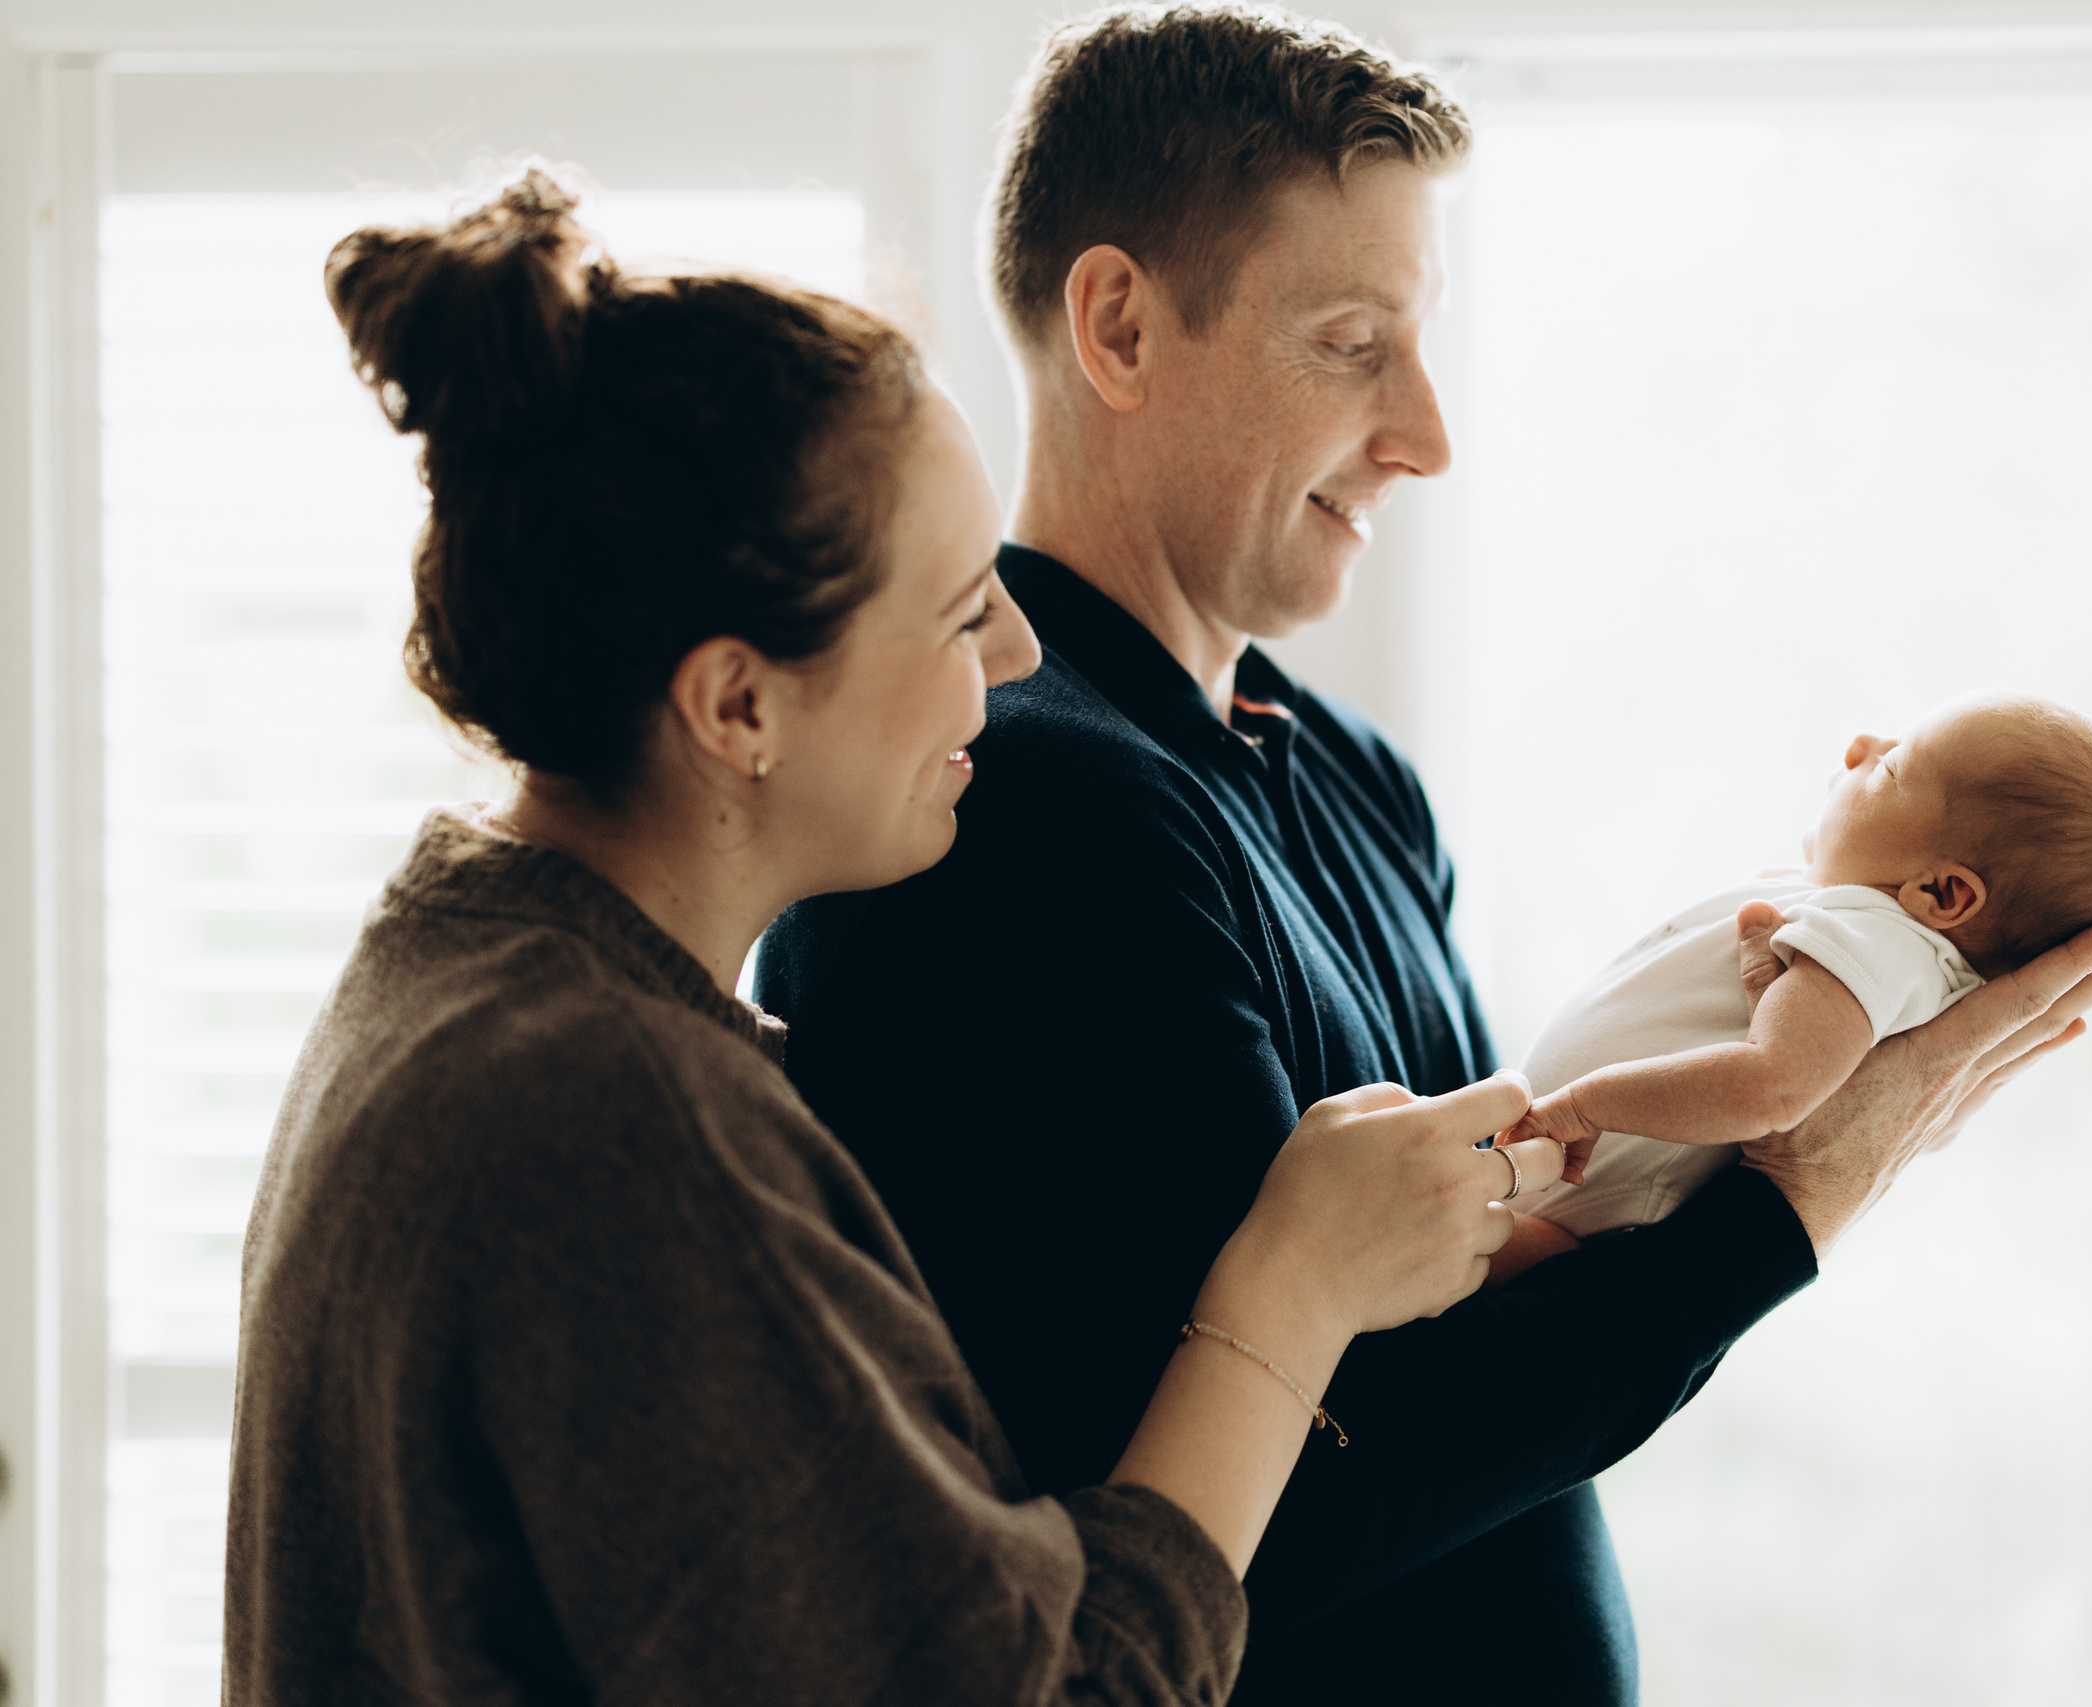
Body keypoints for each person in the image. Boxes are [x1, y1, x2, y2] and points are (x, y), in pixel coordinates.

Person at [754, 9, 2092, 1703]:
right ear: (1119, 324)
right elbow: (1250, 1512)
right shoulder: (1009, 807)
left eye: (1421, 346)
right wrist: (1799, 1198)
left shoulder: (1357, 779)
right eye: (1353, 342)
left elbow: (1490, 1308)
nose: (1426, 433)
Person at [222, 169, 1569, 1706]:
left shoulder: (465, 977)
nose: (1017, 651)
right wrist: (1294, 1286)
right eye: (958, 610)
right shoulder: (611, 1115)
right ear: (740, 705)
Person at [1504, 693, 2092, 1242]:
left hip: (1579, 1208)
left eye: (1891, 768)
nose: (1860, 747)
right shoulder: (1875, 942)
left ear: (1943, 894)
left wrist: (1585, 1105)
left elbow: (1773, 1088)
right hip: (1555, 1187)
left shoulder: (1881, 942)